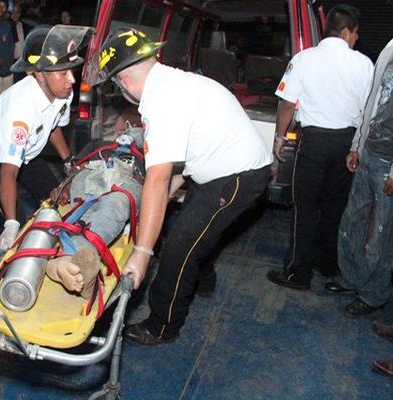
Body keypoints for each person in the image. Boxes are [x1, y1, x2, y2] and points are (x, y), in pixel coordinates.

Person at [88, 28, 272, 345]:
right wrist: (157, 201)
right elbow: (184, 160)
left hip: (239, 176)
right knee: (194, 227)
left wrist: (142, 252)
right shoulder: (175, 81)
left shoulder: (162, 101)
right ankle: (201, 279)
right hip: (219, 167)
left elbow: (157, 180)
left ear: (125, 82)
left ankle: (162, 325)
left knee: (178, 246)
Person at [266, 5, 374, 291]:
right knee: (335, 207)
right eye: (355, 33)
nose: (356, 38)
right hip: (347, 145)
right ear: (347, 32)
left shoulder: (305, 59)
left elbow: (287, 103)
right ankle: (327, 263)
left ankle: (297, 273)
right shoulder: (364, 64)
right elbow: (369, 110)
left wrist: (279, 138)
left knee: (305, 208)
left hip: (313, 143)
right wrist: (357, 148)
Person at [0, 24, 92, 250]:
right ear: (39, 73)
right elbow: (9, 171)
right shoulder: (20, 109)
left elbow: (53, 126)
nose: (71, 80)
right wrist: (12, 223)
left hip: (28, 150)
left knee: (55, 201)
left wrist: (67, 161)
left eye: (71, 71)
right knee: (14, 222)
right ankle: (4, 266)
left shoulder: (63, 92)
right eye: (63, 73)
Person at [324, 38, 393, 318]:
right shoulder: (389, 47)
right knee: (353, 219)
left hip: (389, 163)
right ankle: (352, 277)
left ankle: (374, 294)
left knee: (382, 233)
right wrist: (356, 145)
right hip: (368, 153)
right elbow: (373, 99)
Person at [46, 126, 144, 298]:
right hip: (93, 172)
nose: (132, 134)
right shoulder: (99, 145)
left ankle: (72, 257)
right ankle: (78, 260)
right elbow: (76, 168)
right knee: (82, 207)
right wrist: (64, 186)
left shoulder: (152, 153)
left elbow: (159, 183)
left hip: (129, 178)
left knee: (115, 206)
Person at [0, 0, 15, 99]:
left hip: (8, 72)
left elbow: (11, 46)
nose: (1, 9)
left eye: (3, 7)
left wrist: (10, 63)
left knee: (7, 103)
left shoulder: (7, 25)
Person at [11, 3, 28, 82]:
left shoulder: (24, 26)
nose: (15, 14)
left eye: (17, 12)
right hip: (11, 63)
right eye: (13, 12)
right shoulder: (7, 26)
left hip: (23, 62)